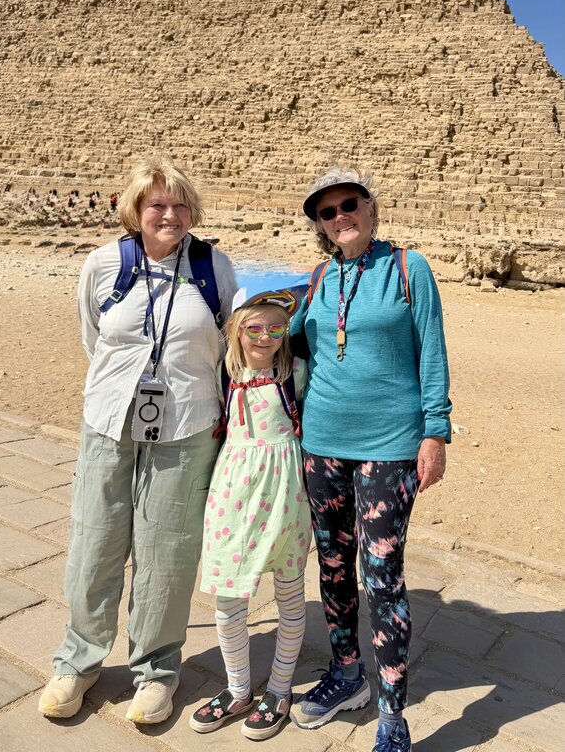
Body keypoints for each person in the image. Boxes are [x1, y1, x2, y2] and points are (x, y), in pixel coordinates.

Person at [38, 156, 237, 726]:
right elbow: (94, 338)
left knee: (168, 551)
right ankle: (78, 661)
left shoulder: (215, 268)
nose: (169, 214)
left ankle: (157, 670)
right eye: (157, 204)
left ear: (193, 211)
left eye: (180, 204)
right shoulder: (104, 264)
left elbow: (231, 340)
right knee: (95, 540)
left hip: (187, 426)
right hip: (109, 421)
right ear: (135, 210)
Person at [289, 168, 451, 752]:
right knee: (334, 566)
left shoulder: (409, 268)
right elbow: (285, 343)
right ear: (320, 225)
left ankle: (392, 715)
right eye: (327, 212)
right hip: (322, 444)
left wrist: (436, 433)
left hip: (389, 446)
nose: (340, 217)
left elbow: (432, 351)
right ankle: (346, 672)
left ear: (371, 207)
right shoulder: (317, 279)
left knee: (382, 576)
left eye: (349, 204)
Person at [189, 291, 311, 741]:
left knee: (290, 593)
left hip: (286, 495)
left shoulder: (297, 373)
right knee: (227, 597)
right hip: (234, 493)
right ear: (236, 330)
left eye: (276, 328)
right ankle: (238, 688)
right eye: (254, 328)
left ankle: (279, 689)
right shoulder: (223, 373)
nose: (265, 337)